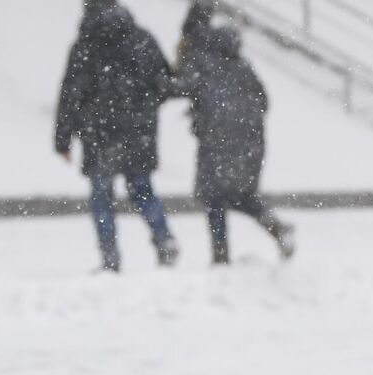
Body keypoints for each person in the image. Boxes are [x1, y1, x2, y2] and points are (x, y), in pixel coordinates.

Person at [54, 0, 179, 273]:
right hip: (139, 131)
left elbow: (71, 93)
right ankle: (163, 238)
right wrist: (144, 107)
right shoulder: (142, 39)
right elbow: (166, 84)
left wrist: (63, 138)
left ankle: (110, 258)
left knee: (102, 196)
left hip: (99, 134)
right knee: (142, 190)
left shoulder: (86, 45)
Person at [173, 24, 295, 265]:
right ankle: (276, 227)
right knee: (242, 196)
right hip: (250, 146)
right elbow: (263, 102)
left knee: (214, 198)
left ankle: (220, 254)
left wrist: (199, 123)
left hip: (217, 145)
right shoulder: (245, 69)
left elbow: (203, 107)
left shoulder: (208, 70)